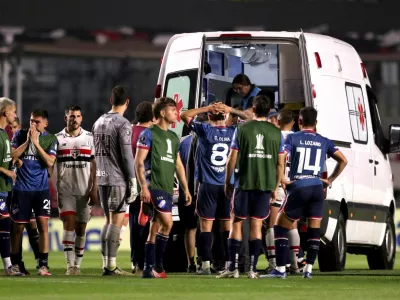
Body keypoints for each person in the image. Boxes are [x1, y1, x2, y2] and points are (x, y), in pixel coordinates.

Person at [267, 107, 347, 279]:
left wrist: (282, 180)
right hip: (318, 187)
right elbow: (343, 160)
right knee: (314, 230)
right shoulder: (324, 140)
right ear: (316, 123)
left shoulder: (292, 138)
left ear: (300, 122)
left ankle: (280, 269)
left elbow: (282, 157)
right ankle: (308, 269)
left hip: (299, 185)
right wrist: (330, 180)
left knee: (280, 226)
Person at [218, 95, 285, 279]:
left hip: (244, 183)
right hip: (265, 185)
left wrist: (227, 182)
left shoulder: (242, 129)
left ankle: (233, 268)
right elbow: (280, 164)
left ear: (253, 110)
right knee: (257, 224)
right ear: (269, 110)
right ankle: (253, 270)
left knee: (237, 222)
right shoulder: (276, 132)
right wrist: (275, 186)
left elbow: (232, 158)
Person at [181, 101, 249, 275]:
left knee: (206, 226)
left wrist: (206, 108)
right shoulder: (235, 131)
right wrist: (231, 109)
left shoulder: (204, 130)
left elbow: (184, 115)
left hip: (208, 185)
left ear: (210, 116)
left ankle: (204, 265)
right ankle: (228, 264)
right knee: (227, 226)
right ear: (225, 116)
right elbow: (251, 118)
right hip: (228, 185)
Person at [135, 97, 192, 279]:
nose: (176, 113)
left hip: (167, 186)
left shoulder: (173, 137)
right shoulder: (149, 133)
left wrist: (186, 188)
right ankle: (157, 266)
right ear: (162, 113)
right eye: (172, 110)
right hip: (154, 185)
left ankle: (147, 268)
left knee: (155, 227)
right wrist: (143, 187)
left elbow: (179, 165)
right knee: (167, 223)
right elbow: (138, 162)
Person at [93, 85, 138, 276]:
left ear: (111, 100)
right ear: (127, 102)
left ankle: (107, 264)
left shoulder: (97, 122)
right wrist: (133, 180)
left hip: (102, 177)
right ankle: (111, 266)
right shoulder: (123, 124)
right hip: (117, 178)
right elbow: (127, 156)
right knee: (116, 222)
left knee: (108, 220)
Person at [10, 109, 58, 276]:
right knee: (18, 228)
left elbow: (50, 161)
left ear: (45, 123)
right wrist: (28, 141)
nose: (33, 124)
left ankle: (43, 265)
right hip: (21, 189)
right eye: (31, 120)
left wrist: (36, 143)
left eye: (37, 121)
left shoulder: (51, 139)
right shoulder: (20, 135)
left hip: (41, 189)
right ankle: (16, 264)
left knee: (43, 226)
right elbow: (12, 155)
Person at [55, 105, 97, 275]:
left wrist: (94, 188)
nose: (75, 119)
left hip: (85, 190)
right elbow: (51, 164)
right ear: (66, 118)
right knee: (68, 225)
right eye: (72, 116)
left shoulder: (89, 138)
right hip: (66, 190)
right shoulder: (57, 139)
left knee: (81, 229)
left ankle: (77, 265)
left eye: (78, 116)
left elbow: (94, 164)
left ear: (81, 118)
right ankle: (70, 265)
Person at [130, 101, 154, 274]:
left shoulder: (128, 131)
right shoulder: (150, 134)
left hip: (130, 183)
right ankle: (144, 262)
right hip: (146, 183)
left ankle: (135, 261)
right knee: (146, 224)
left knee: (134, 224)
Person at [0, 98, 23, 276]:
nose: (15, 115)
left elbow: (6, 157)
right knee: (5, 223)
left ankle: (8, 266)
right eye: (13, 111)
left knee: (4, 224)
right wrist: (8, 173)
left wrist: (15, 160)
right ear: (5, 113)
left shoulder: (4, 134)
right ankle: (8, 267)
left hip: (4, 188)